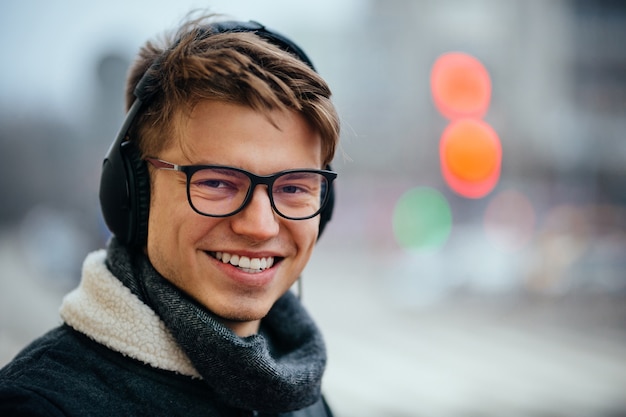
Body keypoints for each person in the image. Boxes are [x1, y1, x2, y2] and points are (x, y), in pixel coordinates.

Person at [0, 12, 340, 417]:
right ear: (131, 193)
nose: (260, 226)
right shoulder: (38, 406)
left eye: (293, 188)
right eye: (216, 183)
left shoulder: (305, 399)